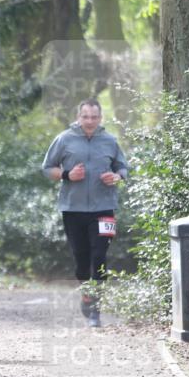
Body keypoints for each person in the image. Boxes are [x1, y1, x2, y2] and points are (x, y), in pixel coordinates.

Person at [42, 98, 129, 327]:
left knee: (99, 257)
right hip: (73, 209)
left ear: (100, 118)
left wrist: (117, 177)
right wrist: (66, 175)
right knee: (81, 261)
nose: (90, 121)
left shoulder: (110, 140)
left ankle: (95, 311)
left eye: (94, 117)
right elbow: (47, 168)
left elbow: (123, 167)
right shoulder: (64, 139)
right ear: (78, 117)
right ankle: (86, 294)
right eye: (85, 116)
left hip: (104, 208)